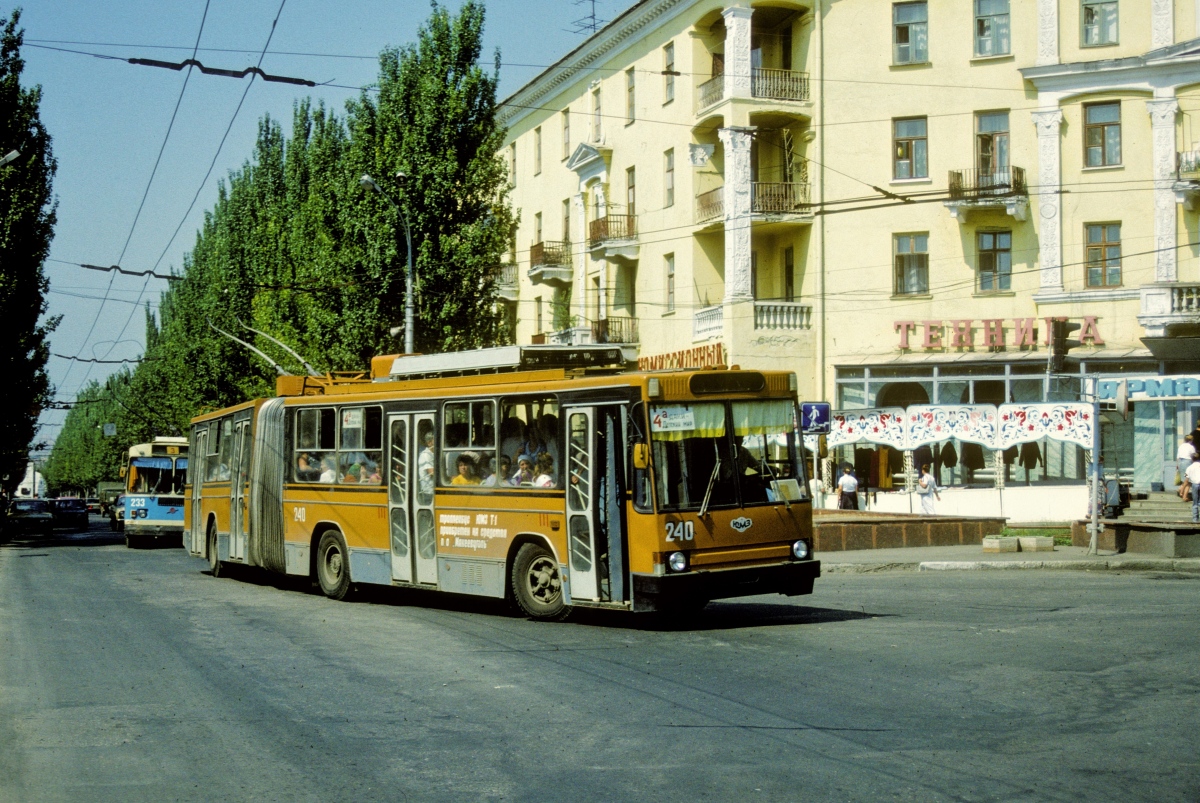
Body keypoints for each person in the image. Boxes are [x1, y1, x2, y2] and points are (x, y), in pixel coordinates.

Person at [417, 431, 435, 499]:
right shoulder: (425, 455)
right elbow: (432, 473)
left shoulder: (433, 453)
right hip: (428, 492)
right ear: (429, 443)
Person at [1187, 454, 1200, 523]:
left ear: (1192, 459)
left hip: (1194, 484)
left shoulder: (1189, 467)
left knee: (1195, 502)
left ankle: (1195, 519)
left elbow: (1187, 477)